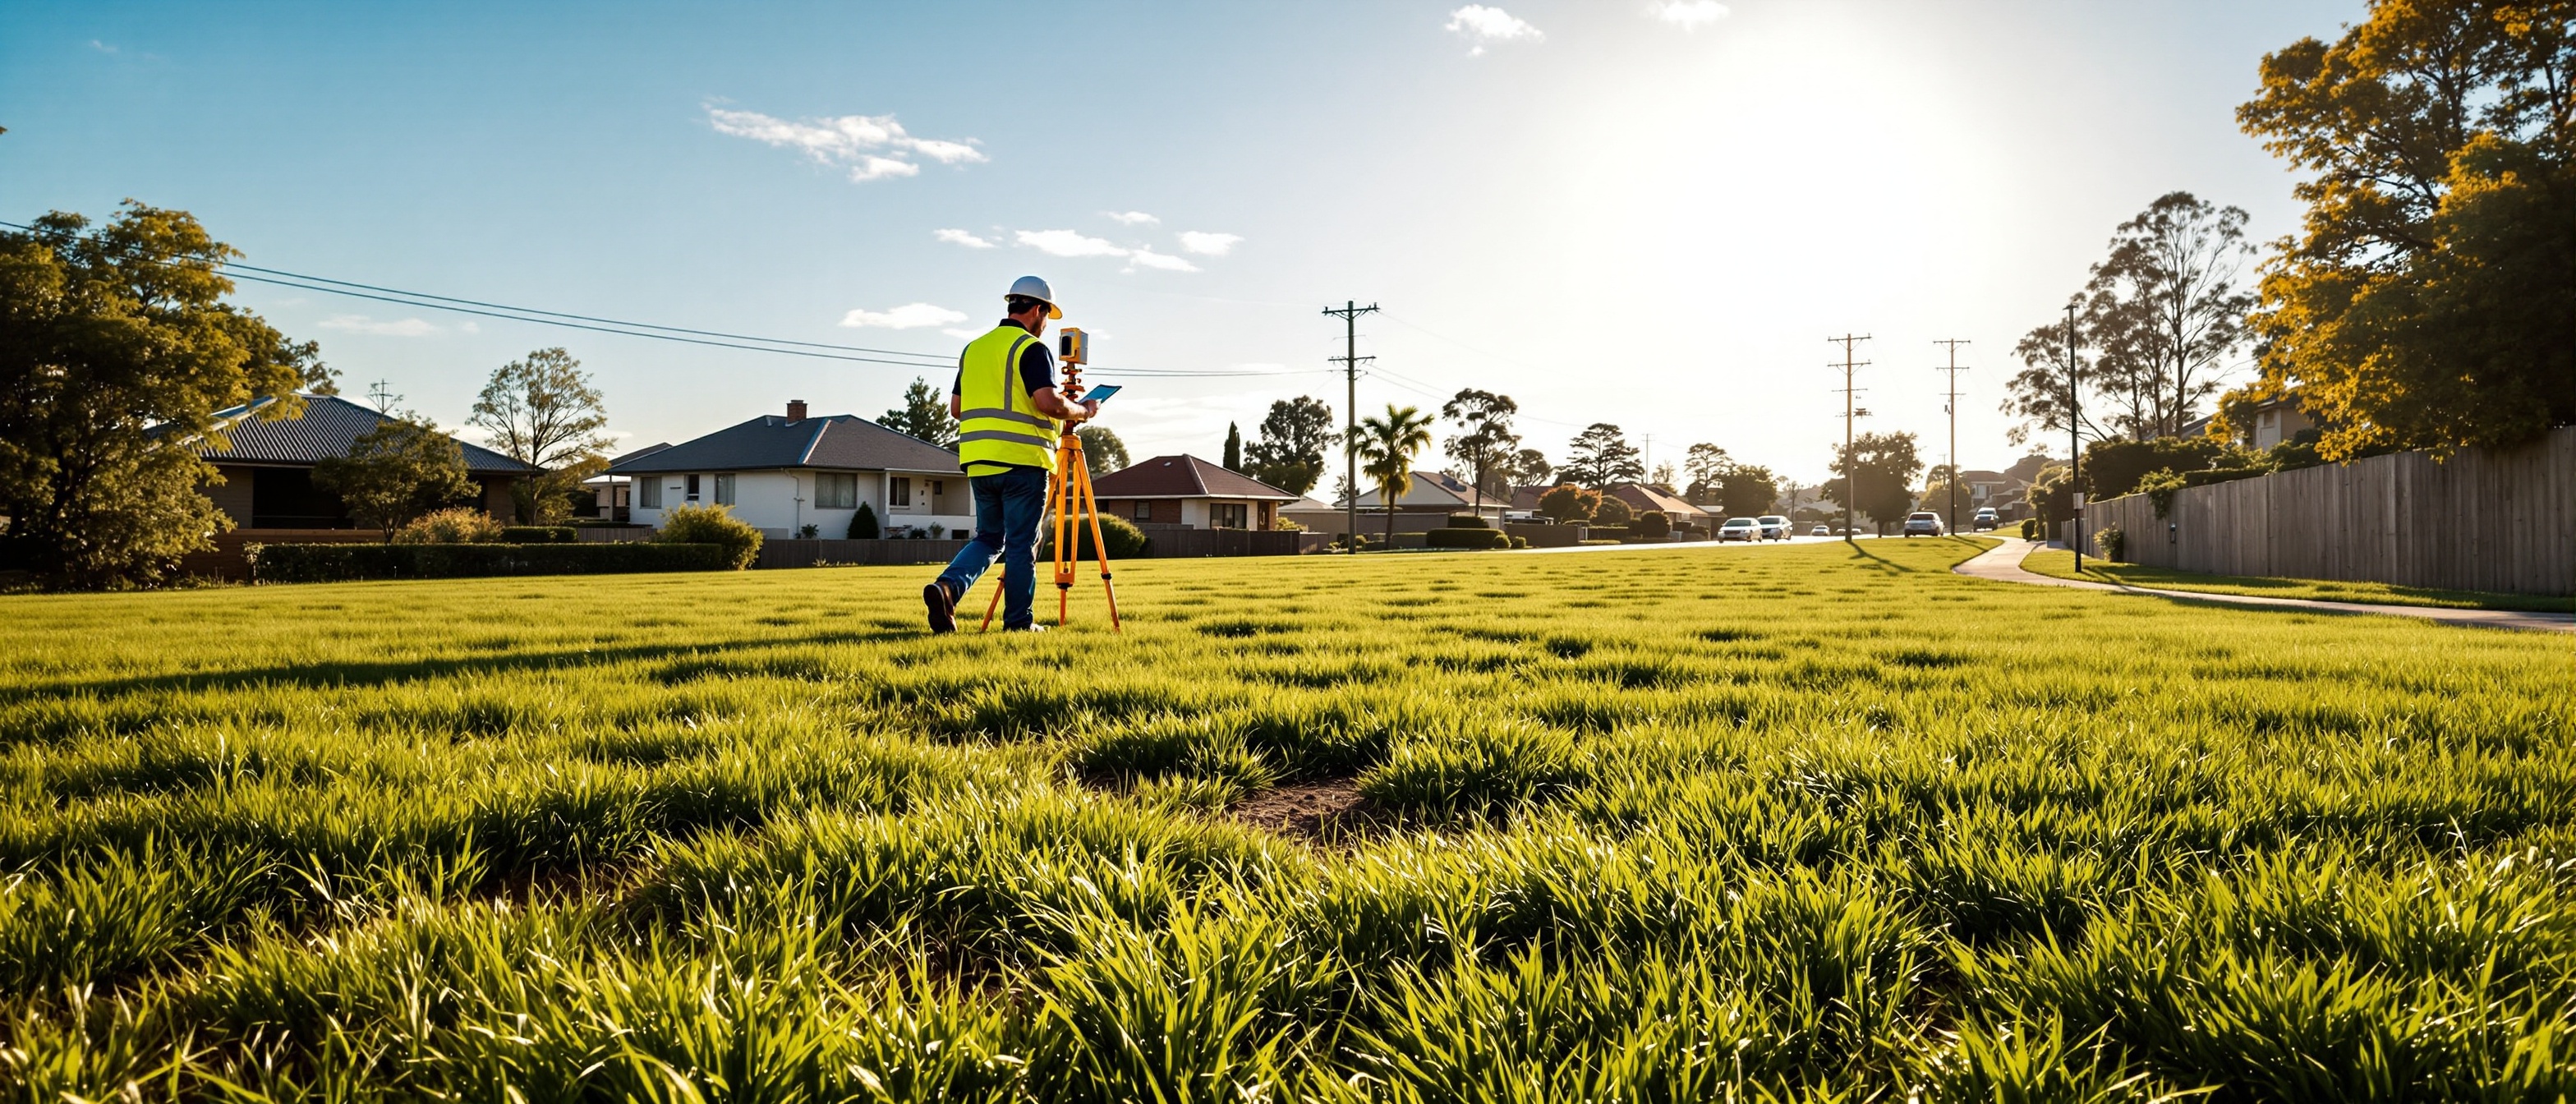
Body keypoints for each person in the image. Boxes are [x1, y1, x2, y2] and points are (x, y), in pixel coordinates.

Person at [923, 275, 1098, 632]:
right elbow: (1048, 402)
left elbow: (957, 408)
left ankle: (947, 588)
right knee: (1021, 543)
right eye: (1047, 317)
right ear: (1038, 310)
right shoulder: (1031, 349)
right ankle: (1019, 624)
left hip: (978, 460)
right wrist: (1082, 410)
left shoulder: (974, 349)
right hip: (1022, 462)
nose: (1046, 326)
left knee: (989, 538)